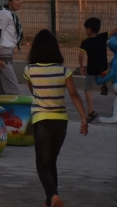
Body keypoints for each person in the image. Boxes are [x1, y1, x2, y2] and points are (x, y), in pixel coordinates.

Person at [24, 29, 89, 207]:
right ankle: (50, 201)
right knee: (52, 161)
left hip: (41, 121)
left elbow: (32, 90)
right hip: (61, 121)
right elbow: (74, 94)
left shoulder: (29, 70)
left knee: (42, 164)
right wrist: (84, 118)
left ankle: (53, 196)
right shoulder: (64, 71)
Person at [78, 17, 117, 122]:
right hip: (104, 68)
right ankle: (104, 86)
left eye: (85, 29)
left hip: (92, 70)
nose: (85, 31)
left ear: (89, 30)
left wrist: (82, 67)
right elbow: (115, 30)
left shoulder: (85, 42)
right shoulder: (103, 36)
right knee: (106, 77)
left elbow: (81, 56)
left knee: (87, 89)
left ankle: (91, 112)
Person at [0, 0, 23, 95]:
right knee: (13, 92)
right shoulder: (4, 14)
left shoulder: (9, 14)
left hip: (5, 56)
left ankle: (4, 113)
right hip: (2, 57)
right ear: (8, 1)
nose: (20, 2)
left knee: (1, 93)